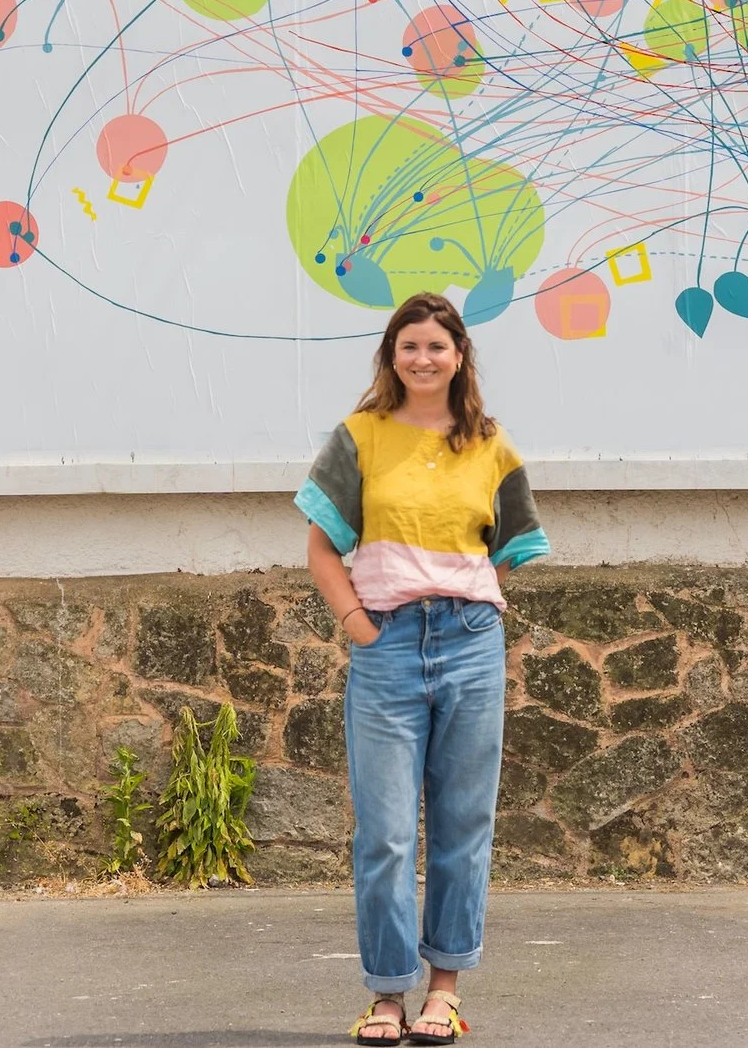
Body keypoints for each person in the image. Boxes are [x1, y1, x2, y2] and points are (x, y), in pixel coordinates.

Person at [296, 292, 548, 1045]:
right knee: (385, 834)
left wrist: (465, 594)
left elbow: (511, 547)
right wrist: (359, 623)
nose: (423, 358)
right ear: (392, 355)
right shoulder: (359, 437)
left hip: (470, 643)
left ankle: (444, 992)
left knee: (463, 825)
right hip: (387, 648)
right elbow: (321, 547)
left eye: (437, 345)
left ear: (459, 355)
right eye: (409, 345)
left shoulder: (491, 444)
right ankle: (386, 995)